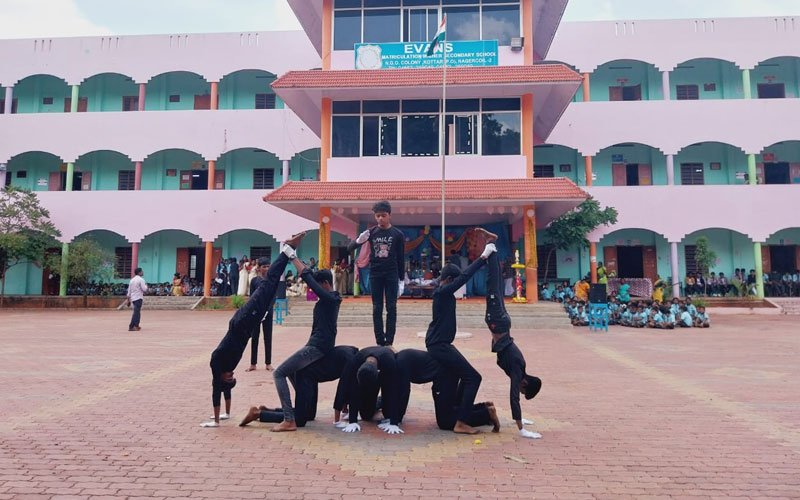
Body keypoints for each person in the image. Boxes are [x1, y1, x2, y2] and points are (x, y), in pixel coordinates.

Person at [202, 232, 305, 428]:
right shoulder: (227, 369)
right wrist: (226, 414)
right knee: (270, 288)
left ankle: (287, 249)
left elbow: (217, 390)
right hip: (249, 324)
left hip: (241, 322)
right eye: (232, 377)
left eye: (229, 378)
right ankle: (288, 250)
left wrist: (215, 421)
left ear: (220, 377)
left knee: (268, 285)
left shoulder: (216, 361)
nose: (231, 374)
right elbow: (225, 389)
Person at [425, 232, 493, 435]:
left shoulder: (444, 294)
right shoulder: (442, 292)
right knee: (474, 378)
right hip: (439, 346)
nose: (457, 286)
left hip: (442, 344)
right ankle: (462, 422)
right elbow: (464, 277)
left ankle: (464, 412)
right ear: (448, 280)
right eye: (454, 282)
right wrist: (483, 257)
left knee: (467, 376)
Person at [480, 228, 543, 439]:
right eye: (524, 391)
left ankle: (492, 246)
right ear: (525, 384)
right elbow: (513, 397)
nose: (520, 391)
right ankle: (491, 245)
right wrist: (521, 428)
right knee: (493, 284)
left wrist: (522, 418)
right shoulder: (518, 370)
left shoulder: (520, 368)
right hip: (498, 322)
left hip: (502, 324)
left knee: (496, 286)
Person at [272, 257, 343, 432]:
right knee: (292, 371)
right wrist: (295, 258)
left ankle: (289, 419)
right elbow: (309, 275)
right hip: (314, 345)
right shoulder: (327, 300)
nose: (314, 290)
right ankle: (304, 407)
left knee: (279, 373)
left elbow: (308, 278)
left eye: (317, 286)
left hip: (318, 347)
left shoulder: (331, 299)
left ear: (325, 283)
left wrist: (292, 258)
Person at [239, 345, 358, 427]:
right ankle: (258, 414)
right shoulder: (351, 360)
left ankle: (269, 410)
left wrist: (345, 407)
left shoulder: (352, 352)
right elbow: (343, 387)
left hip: (310, 376)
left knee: (309, 414)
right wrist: (338, 419)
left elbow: (347, 385)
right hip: (304, 375)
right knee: (300, 419)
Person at [395, 348, 500, 432]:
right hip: (444, 374)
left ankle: (486, 414)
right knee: (450, 411)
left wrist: (396, 419)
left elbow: (404, 392)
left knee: (445, 422)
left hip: (445, 376)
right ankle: (483, 407)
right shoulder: (402, 356)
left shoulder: (400, 365)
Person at [347, 201, 405, 347]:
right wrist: (359, 240)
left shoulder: (398, 234)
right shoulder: (371, 232)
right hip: (375, 274)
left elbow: (401, 258)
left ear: (389, 215)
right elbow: (349, 248)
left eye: (383, 215)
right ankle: (379, 342)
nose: (380, 218)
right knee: (376, 308)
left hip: (391, 274)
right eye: (377, 216)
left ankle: (389, 342)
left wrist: (401, 280)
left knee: (391, 307)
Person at [334, 346, 401, 434]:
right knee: (366, 415)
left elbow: (393, 390)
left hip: (385, 368)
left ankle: (384, 405)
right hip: (366, 372)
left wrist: (394, 422)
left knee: (388, 395)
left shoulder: (390, 362)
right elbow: (349, 388)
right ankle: (378, 402)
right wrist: (352, 421)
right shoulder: (355, 361)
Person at [247, 257, 274, 372]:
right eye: (264, 267)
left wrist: (267, 310)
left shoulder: (272, 280)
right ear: (259, 268)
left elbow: (273, 297)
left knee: (268, 337)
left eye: (268, 266)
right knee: (255, 337)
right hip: (256, 313)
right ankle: (253, 363)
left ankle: (268, 363)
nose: (266, 269)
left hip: (268, 312)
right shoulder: (254, 281)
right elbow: (251, 297)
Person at [126, 268, 148, 332]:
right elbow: (144, 289)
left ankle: (136, 325)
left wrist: (128, 299)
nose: (143, 272)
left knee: (136, 312)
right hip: (138, 297)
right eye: (142, 271)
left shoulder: (132, 280)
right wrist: (146, 286)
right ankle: (132, 326)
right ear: (139, 272)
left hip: (133, 298)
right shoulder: (141, 280)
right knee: (136, 312)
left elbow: (129, 290)